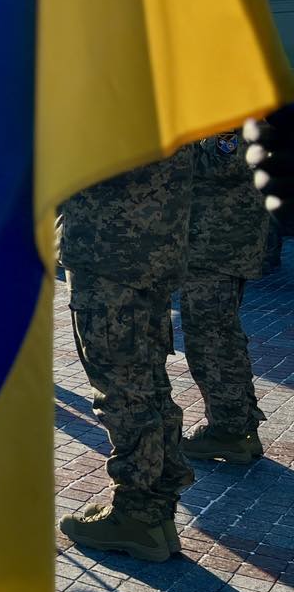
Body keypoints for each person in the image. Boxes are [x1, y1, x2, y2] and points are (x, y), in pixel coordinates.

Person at [57, 148, 195, 563]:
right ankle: (155, 513)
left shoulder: (112, 108)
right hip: (150, 252)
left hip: (108, 255)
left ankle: (136, 517)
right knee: (149, 386)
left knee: (123, 392)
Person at [178, 130, 270, 464]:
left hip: (216, 248)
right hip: (217, 246)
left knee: (211, 341)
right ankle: (240, 428)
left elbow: (223, 162)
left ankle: (229, 432)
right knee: (221, 337)